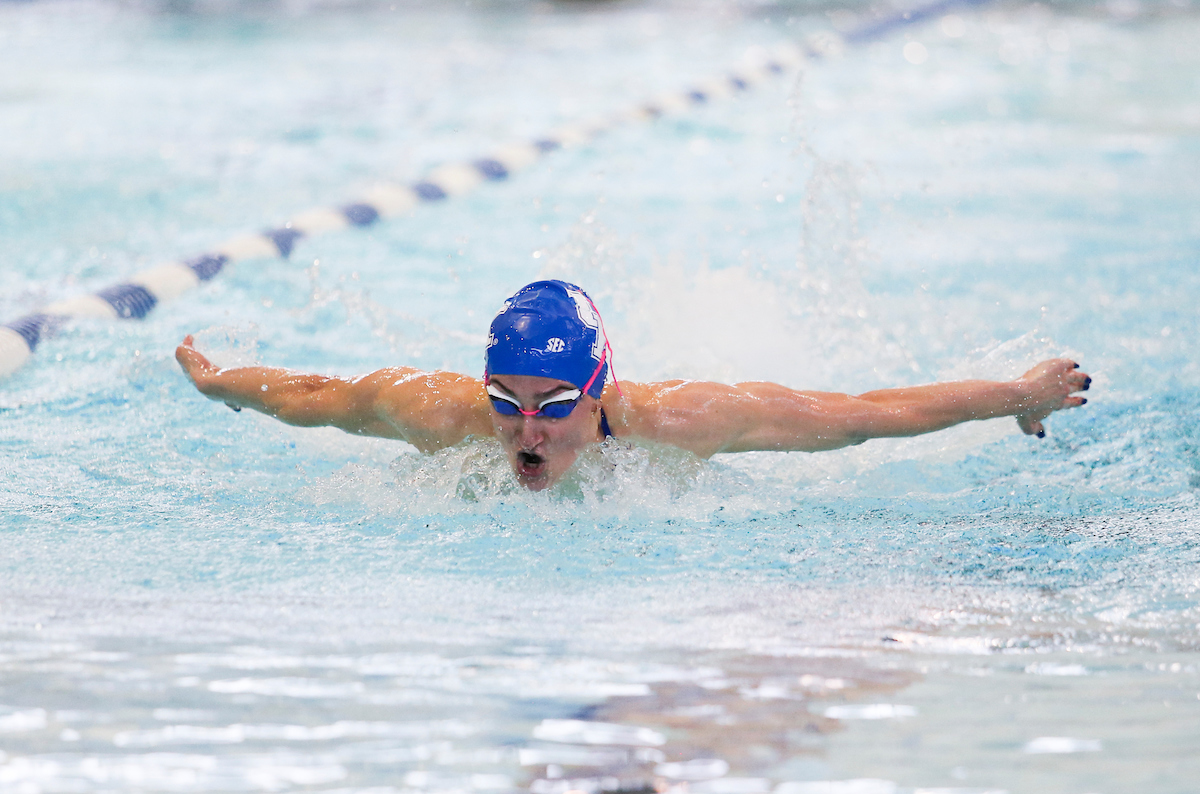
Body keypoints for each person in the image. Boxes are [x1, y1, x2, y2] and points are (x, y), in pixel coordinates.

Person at [176, 279, 1091, 491]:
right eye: (507, 402)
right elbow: (313, 396)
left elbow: (856, 420)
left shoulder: (683, 419)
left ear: (600, 391)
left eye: (551, 405)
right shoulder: (442, 412)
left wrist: (1019, 394)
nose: (523, 431)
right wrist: (219, 386)